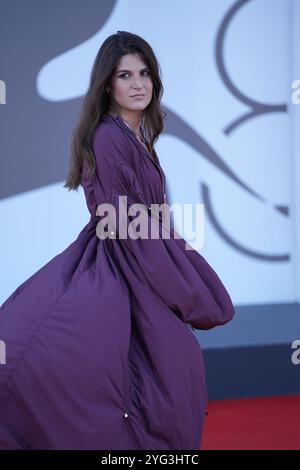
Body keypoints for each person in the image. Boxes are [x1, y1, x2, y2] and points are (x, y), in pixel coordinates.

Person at [0, 31, 235, 450]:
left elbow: (149, 219)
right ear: (108, 84)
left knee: (169, 376)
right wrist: (187, 285)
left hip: (134, 259)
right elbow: (127, 222)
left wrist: (183, 269)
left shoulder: (138, 138)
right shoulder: (107, 137)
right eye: (125, 75)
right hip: (122, 264)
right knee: (168, 374)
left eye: (145, 73)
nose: (138, 83)